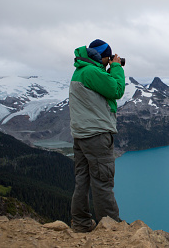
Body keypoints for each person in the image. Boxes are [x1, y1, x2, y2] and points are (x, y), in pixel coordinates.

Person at [69, 39, 125, 232]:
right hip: (97, 136)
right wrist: (116, 67)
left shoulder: (81, 71)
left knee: (82, 180)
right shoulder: (91, 72)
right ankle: (110, 229)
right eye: (108, 58)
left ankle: (81, 223)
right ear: (103, 57)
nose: (110, 61)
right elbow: (116, 90)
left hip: (81, 135)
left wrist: (108, 68)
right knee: (103, 182)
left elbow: (103, 89)